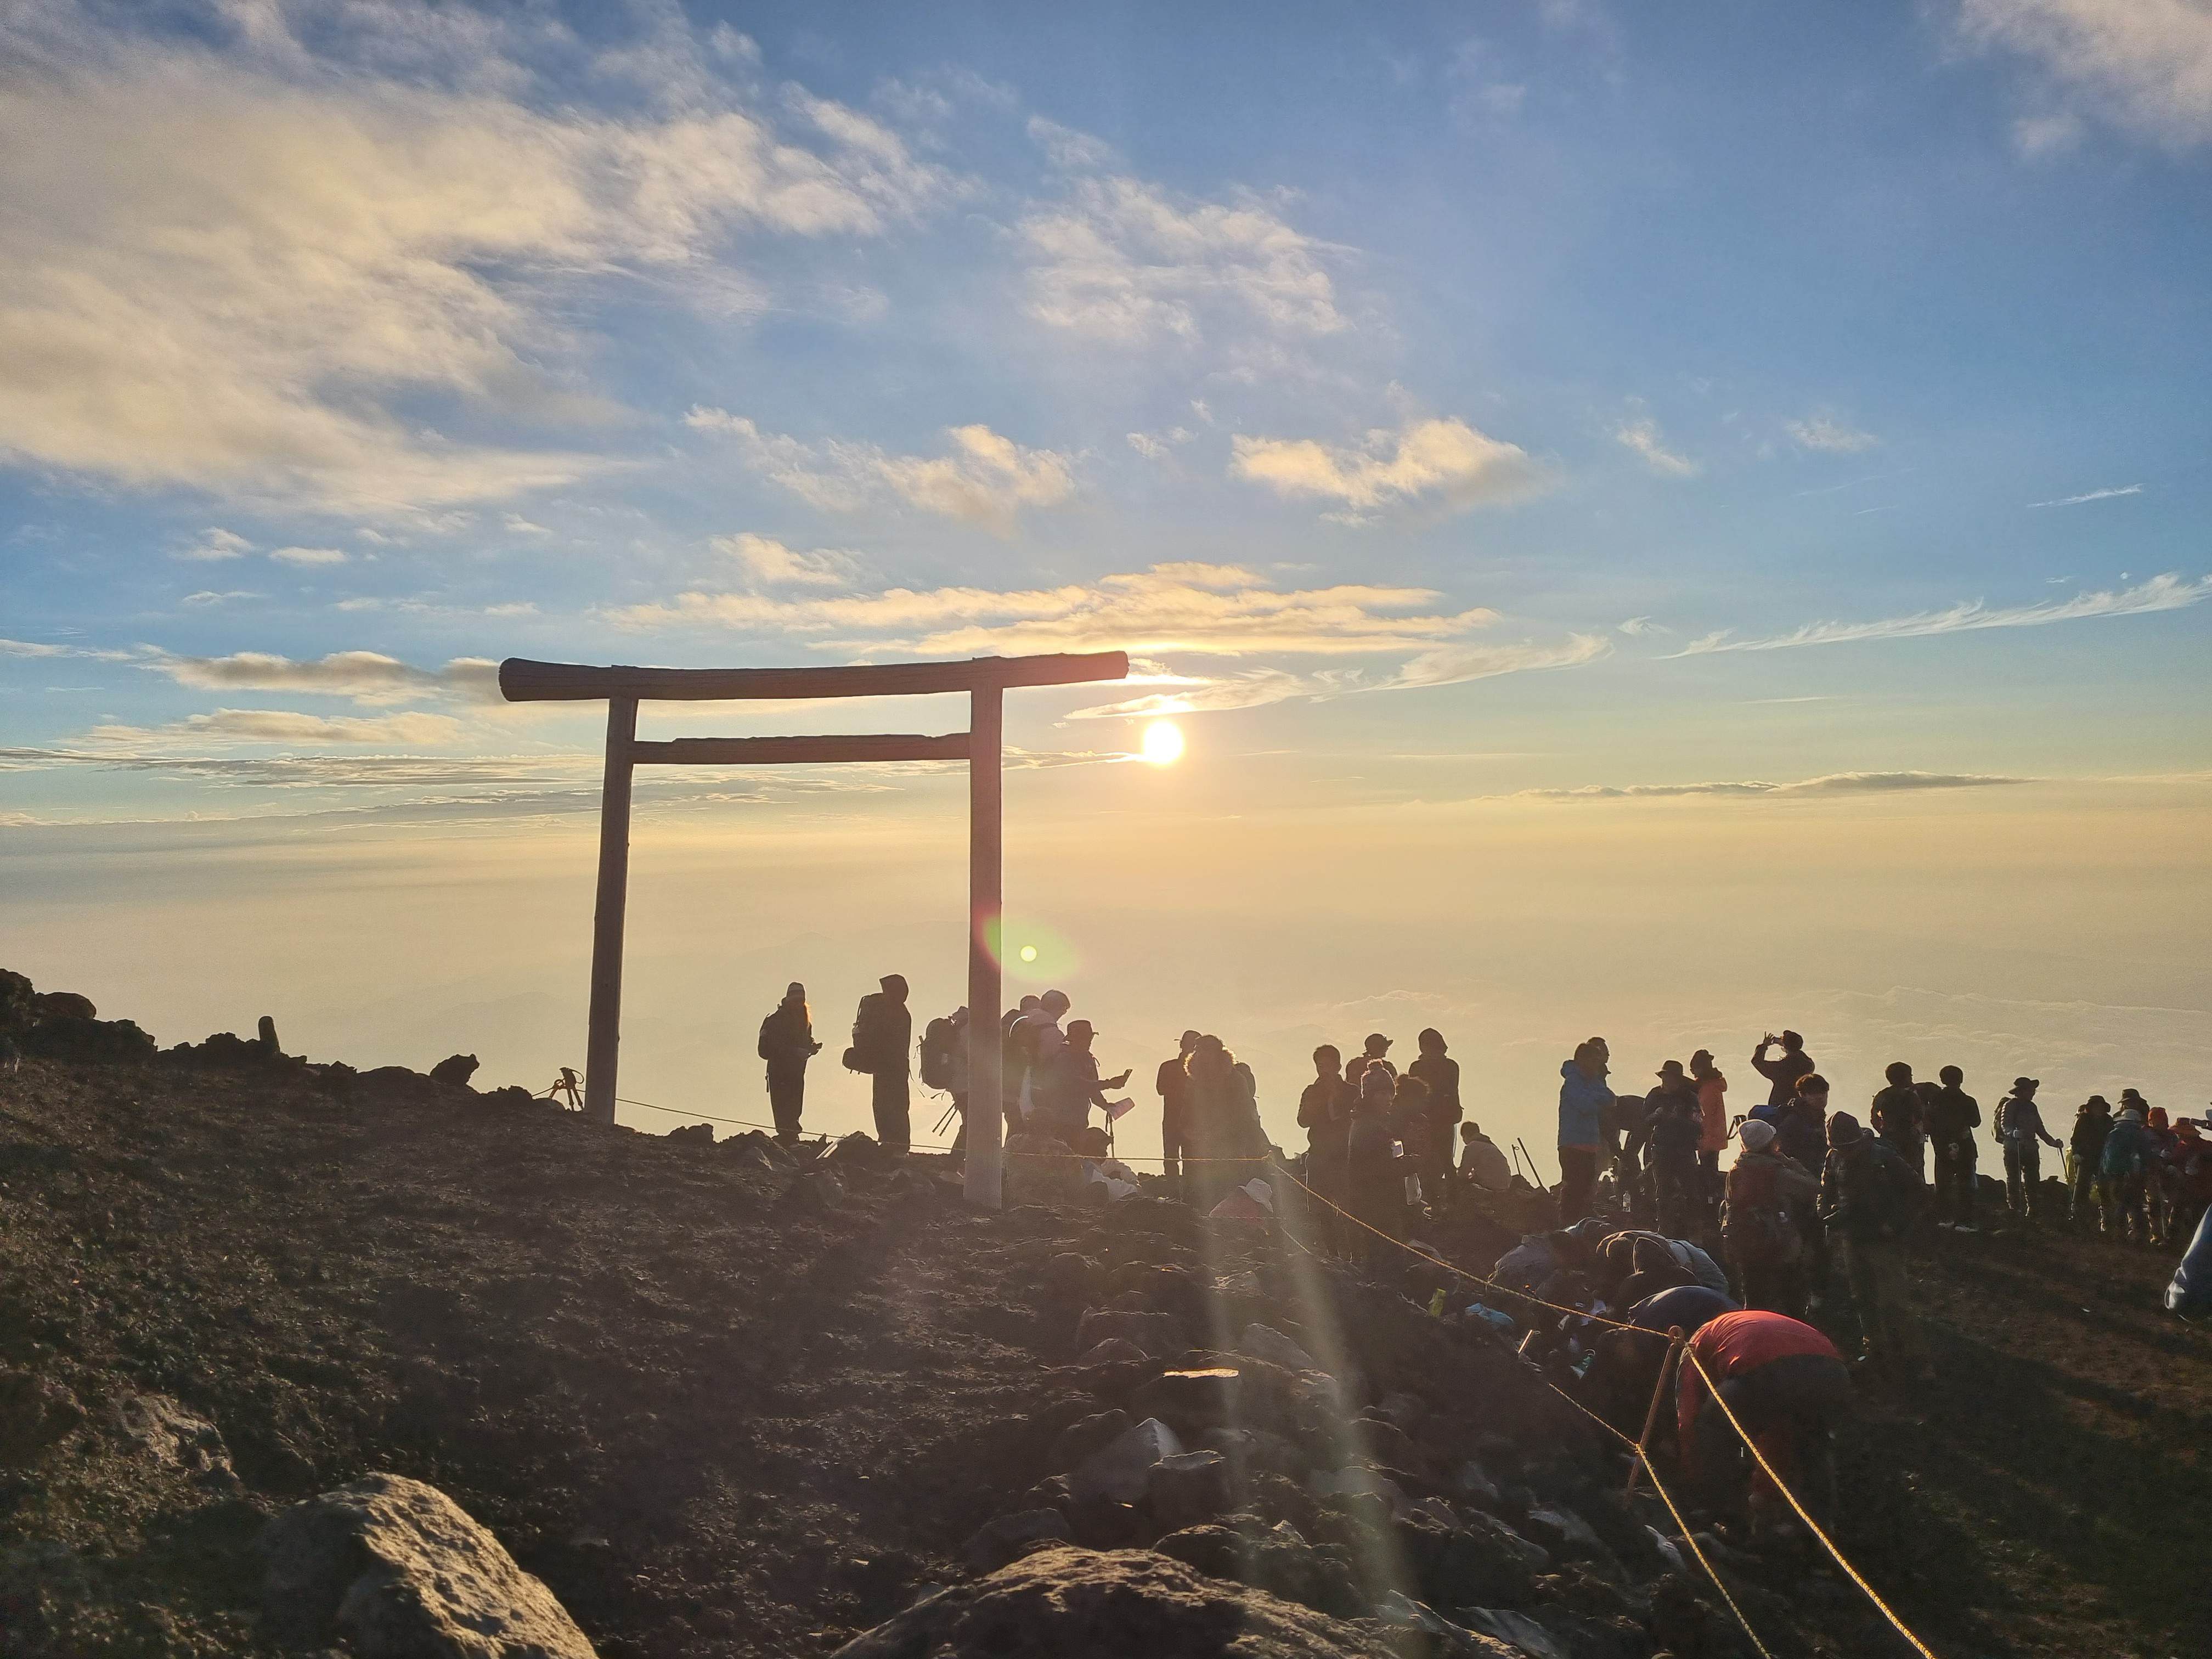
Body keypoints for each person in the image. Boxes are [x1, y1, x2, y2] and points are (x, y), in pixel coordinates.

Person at [1677, 1311, 1852, 1531]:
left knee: (1712, 1424)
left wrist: (1693, 1478)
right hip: (1834, 1371)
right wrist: (1764, 1492)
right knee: (1812, 1441)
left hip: (1767, 1367)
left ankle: (1730, 1520)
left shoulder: (1695, 1344)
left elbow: (1689, 1419)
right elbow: (1777, 1433)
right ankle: (1821, 1525)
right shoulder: (1738, 1324)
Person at [1819, 1111, 1928, 1379]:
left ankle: (1916, 1358)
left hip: (1883, 1239)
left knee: (1893, 1301)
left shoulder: (1884, 1157)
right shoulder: (1833, 1158)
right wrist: (1826, 1214)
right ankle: (1876, 1350)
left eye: (1847, 1148)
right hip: (1852, 1237)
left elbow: (1918, 1193)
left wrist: (1895, 1224)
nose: (1844, 1153)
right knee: (1863, 1298)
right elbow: (1825, 1190)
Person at [1723, 1119, 1819, 1317]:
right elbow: (1814, 1189)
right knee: (1792, 1300)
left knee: (1754, 1300)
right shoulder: (1778, 1172)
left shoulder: (1736, 1171)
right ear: (1770, 1143)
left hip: (1745, 1245)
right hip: (1779, 1246)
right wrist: (1793, 1163)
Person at [1344, 1063, 1413, 1266]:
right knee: (1385, 1259)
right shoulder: (1369, 1127)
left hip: (1376, 1202)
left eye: (1390, 1094)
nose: (1388, 1099)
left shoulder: (1371, 1122)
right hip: (1375, 1204)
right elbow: (1377, 1169)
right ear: (1369, 1095)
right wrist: (1409, 1165)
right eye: (1381, 1094)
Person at [1776, 1075, 1833, 1307]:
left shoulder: (1818, 1119)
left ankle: (1817, 1292)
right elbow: (1784, 1155)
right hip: (1799, 1190)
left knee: (1818, 1240)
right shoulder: (1792, 1123)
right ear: (1802, 1095)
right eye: (1815, 1093)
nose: (1821, 1098)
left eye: (1824, 1093)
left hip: (1817, 1185)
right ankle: (1805, 1293)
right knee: (1804, 1240)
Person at [849, 974, 913, 1152]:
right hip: (895, 1066)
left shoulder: (884, 1010)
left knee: (883, 1105)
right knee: (897, 1106)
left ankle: (888, 1143)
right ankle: (896, 1147)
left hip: (881, 1065)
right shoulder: (901, 1012)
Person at [1558, 1040, 1614, 1225]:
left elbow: (1611, 1098)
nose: (1597, 1067)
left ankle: (1581, 1224)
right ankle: (1566, 1226)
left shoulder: (1593, 1081)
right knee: (1573, 1188)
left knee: (1587, 1188)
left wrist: (1596, 1099)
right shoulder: (1572, 1082)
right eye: (1594, 1062)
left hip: (1590, 1144)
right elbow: (1585, 1106)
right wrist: (1599, 1100)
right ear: (1583, 1060)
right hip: (1572, 1143)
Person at [1646, 1062, 1706, 1239]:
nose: (1667, 1081)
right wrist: (1656, 1117)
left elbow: (1699, 1126)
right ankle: (1664, 1232)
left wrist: (1676, 1120)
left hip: (1684, 1151)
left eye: (1670, 1077)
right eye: (1665, 1077)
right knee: (1663, 1192)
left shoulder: (1689, 1098)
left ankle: (1695, 1234)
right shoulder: (1654, 1095)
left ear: (1678, 1079)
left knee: (1691, 1193)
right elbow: (1643, 1120)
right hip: (1661, 1150)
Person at [757, 981, 820, 1144]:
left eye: (801, 1001)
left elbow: (805, 1041)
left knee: (794, 1104)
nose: (798, 1004)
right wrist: (795, 1051)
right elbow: (766, 1050)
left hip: (796, 1071)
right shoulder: (775, 1021)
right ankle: (787, 1136)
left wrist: (810, 1048)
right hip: (780, 1071)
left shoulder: (804, 1023)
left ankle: (791, 1136)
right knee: (783, 1104)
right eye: (796, 1001)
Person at [1994, 1077, 2061, 1223]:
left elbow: (2040, 1128)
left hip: (2030, 1148)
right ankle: (2015, 1209)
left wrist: (2052, 1142)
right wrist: (2013, 1133)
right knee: (2014, 1179)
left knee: (2032, 1180)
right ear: (2022, 1091)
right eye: (2031, 1090)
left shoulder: (2032, 1107)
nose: (2033, 1093)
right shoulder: (2010, 1105)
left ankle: (2032, 1210)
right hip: (2013, 1147)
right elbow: (2006, 1125)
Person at [1408, 1029, 1462, 1205]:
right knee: (1445, 1160)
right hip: (1444, 1119)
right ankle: (1450, 1200)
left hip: (1426, 1119)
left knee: (1428, 1159)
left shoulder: (1417, 1067)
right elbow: (1453, 1093)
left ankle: (1429, 1199)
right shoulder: (1451, 1066)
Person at [1923, 1066, 1981, 1229]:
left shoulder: (1935, 1101)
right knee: (1966, 1184)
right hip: (1965, 1144)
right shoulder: (1969, 1101)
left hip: (1942, 1146)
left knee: (1943, 1183)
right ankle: (1965, 1220)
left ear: (1942, 1080)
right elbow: (1976, 1122)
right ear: (1961, 1080)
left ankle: (1944, 1218)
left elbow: (1928, 1124)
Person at [2099, 1103, 2153, 1245]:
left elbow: (2105, 1157)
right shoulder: (2138, 1135)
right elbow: (2145, 1155)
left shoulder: (2113, 1135)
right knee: (2135, 1204)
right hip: (2133, 1175)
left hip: (2114, 1175)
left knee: (2120, 1203)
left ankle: (2119, 1233)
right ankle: (2139, 1234)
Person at [1158, 1030, 1201, 1183]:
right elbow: (1161, 1089)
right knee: (1188, 1159)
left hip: (1175, 1119)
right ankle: (1184, 1191)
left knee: (1174, 1158)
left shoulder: (1167, 1067)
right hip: (1187, 1121)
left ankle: (1174, 1190)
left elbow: (1160, 1089)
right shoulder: (1200, 1072)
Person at [1870, 1062, 1927, 1180]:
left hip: (1889, 1137)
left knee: (1892, 1171)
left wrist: (1883, 1130)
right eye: (1910, 1076)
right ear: (1904, 1077)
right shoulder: (1911, 1096)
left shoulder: (1882, 1095)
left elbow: (1874, 1118)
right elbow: (1920, 1116)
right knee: (1915, 1170)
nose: (1911, 1079)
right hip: (1910, 1139)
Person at [1690, 1048, 1729, 1223]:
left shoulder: (1706, 1089)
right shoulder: (1715, 1085)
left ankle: (1710, 1211)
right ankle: (1712, 1207)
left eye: (1693, 1069)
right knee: (1711, 1171)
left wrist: (1697, 1136)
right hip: (1716, 1136)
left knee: (1708, 1175)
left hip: (1707, 1137)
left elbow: (1703, 1116)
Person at [2069, 1096, 2113, 1228]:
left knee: (2104, 1188)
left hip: (2102, 1158)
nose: (2098, 1108)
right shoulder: (2083, 1120)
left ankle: (2106, 1220)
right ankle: (2078, 1216)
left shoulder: (2108, 1120)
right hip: (2086, 1157)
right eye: (2096, 1106)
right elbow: (2075, 1139)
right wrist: (2076, 1153)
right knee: (2082, 1186)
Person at [1751, 1030, 1815, 1110]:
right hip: (1801, 1107)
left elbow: (1757, 1062)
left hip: (1780, 1109)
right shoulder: (1809, 1065)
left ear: (1785, 1046)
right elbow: (1797, 1054)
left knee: (1757, 1111)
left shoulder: (1781, 1068)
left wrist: (1764, 1046)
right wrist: (1788, 1046)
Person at [1459, 1120, 1513, 1194]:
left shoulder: (1472, 1146)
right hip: (1505, 1185)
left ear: (1465, 1135)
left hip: (1490, 1186)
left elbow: (1463, 1173)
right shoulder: (1490, 1146)